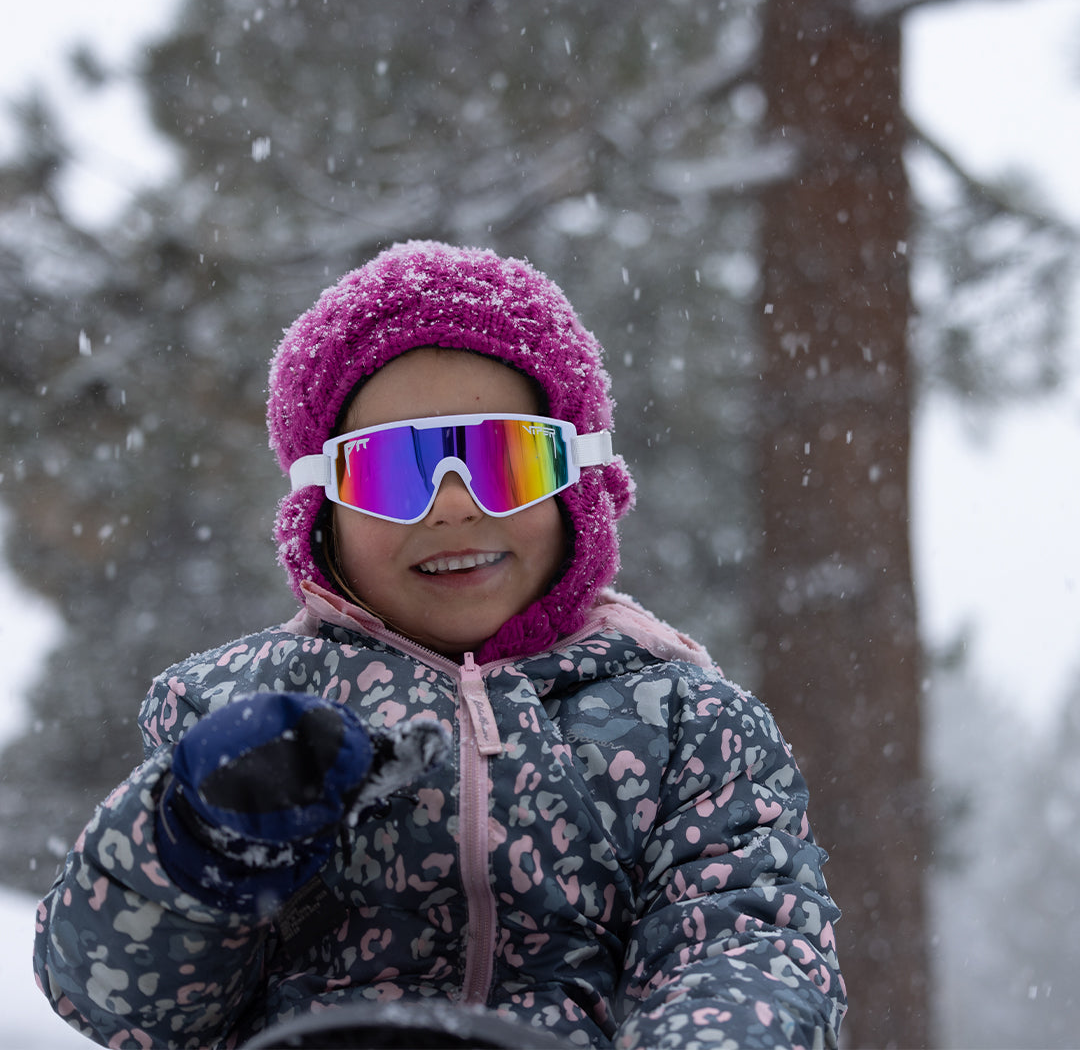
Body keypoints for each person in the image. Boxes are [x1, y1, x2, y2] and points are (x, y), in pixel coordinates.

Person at [34, 240, 846, 1049]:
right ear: (320, 510)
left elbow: (748, 950)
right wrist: (199, 838)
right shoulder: (246, 708)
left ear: (579, 481)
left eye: (505, 461)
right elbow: (117, 1000)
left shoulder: (688, 728)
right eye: (393, 471)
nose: (452, 506)